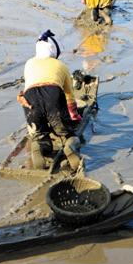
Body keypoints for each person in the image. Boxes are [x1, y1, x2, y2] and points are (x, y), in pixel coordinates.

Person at [17, 30, 83, 171]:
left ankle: (38, 145)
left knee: (39, 133)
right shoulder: (61, 66)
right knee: (67, 132)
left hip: (30, 100)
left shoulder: (29, 63)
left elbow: (30, 85)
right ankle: (69, 146)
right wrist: (75, 116)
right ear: (54, 52)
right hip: (52, 96)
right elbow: (69, 96)